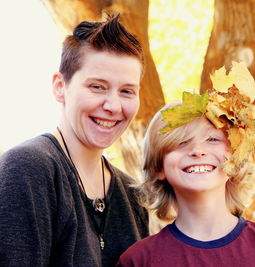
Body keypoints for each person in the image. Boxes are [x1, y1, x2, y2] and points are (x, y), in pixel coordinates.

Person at [116, 62, 255, 266]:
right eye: (181, 142)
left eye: (212, 139)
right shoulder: (139, 260)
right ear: (159, 167)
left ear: (235, 157)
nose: (198, 151)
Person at [0, 14, 148, 267]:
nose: (112, 106)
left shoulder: (133, 196)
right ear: (60, 86)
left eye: (126, 91)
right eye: (97, 87)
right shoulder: (27, 169)